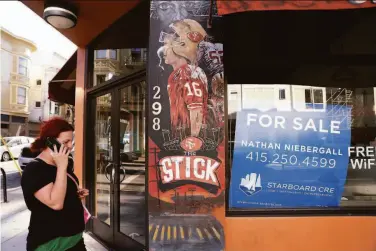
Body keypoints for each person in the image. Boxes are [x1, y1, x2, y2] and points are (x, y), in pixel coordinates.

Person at [21, 117, 89, 251]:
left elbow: (61, 188)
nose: (70, 146)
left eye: (71, 141)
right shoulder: (35, 170)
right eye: (66, 141)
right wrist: (62, 166)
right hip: (52, 244)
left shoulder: (63, 163)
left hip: (75, 240)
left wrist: (74, 193)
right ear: (50, 141)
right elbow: (56, 203)